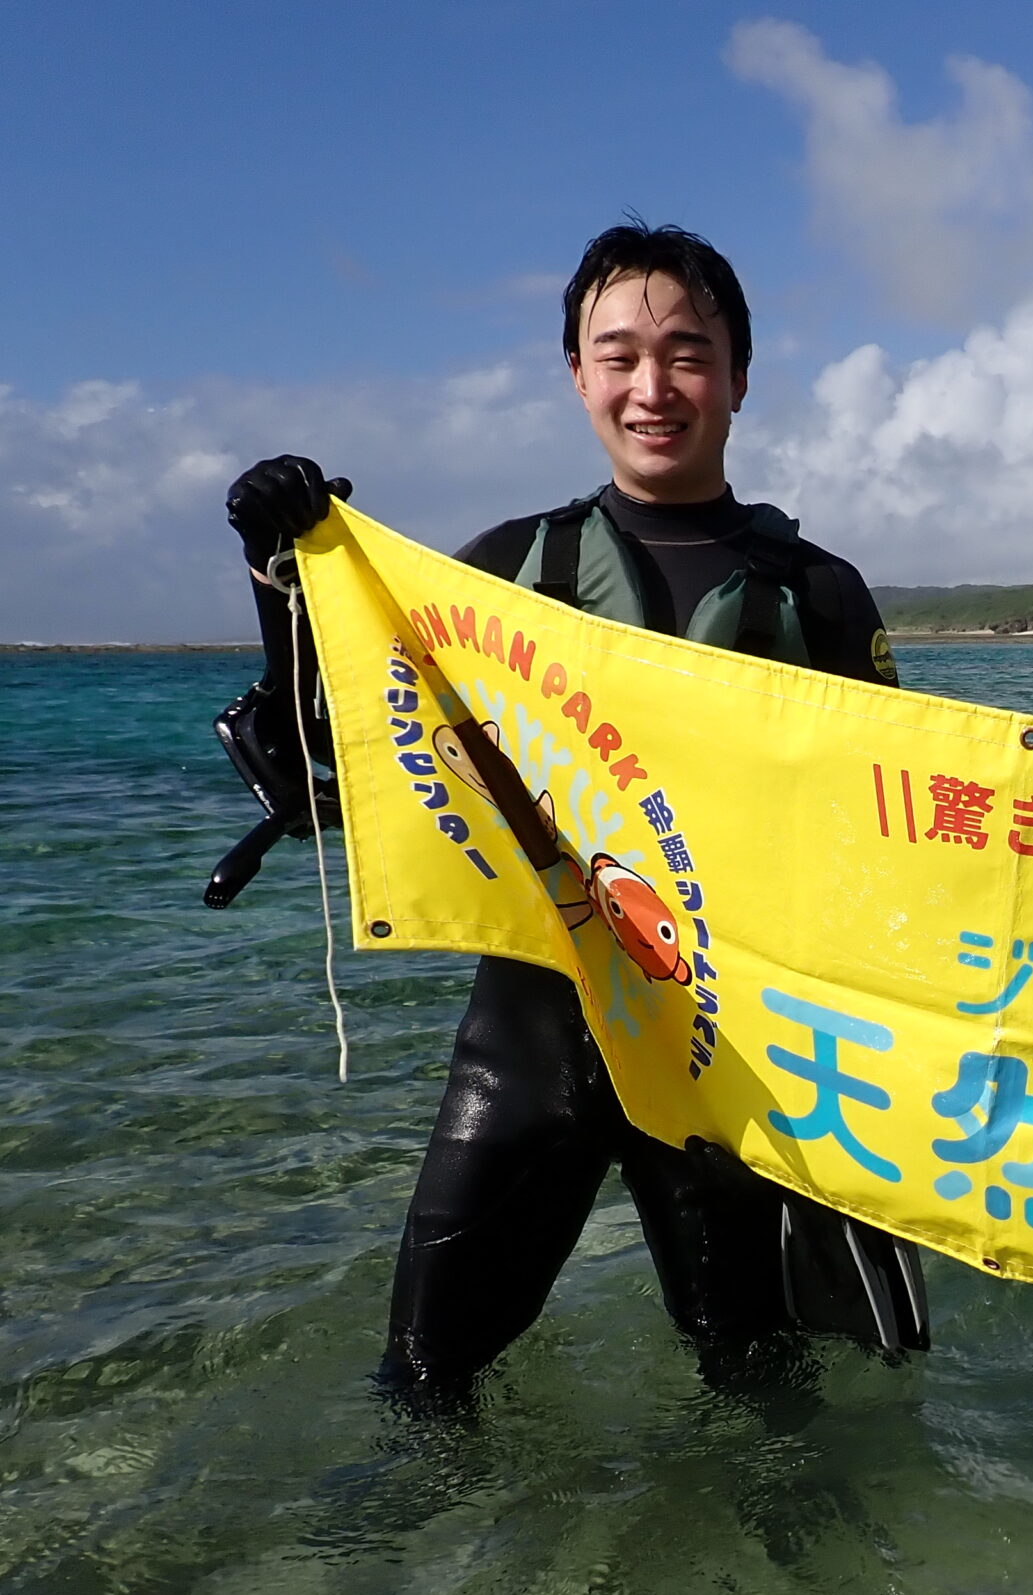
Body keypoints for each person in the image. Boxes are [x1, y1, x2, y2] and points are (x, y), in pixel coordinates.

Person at [212, 222, 927, 1408]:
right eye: (620, 354)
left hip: (734, 1062)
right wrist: (276, 575)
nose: (654, 387)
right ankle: (400, 1589)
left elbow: (895, 839)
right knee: (423, 1385)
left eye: (688, 353)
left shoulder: (818, 595)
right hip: (532, 1037)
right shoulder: (504, 572)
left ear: (739, 376)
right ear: (577, 375)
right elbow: (324, 761)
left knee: (764, 1397)